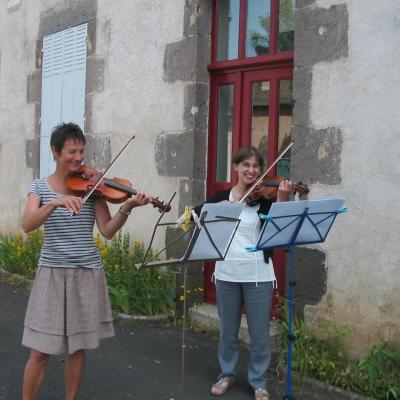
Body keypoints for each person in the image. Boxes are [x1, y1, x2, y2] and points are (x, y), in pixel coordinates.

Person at [20, 122, 152, 400]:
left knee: (77, 348)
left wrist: (126, 208)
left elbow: (106, 231)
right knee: (40, 350)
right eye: (71, 151)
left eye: (81, 151)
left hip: (86, 272)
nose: (78, 158)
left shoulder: (93, 187)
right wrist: (54, 203)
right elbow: (27, 224)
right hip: (52, 273)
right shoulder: (40, 187)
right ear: (55, 151)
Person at [195, 146, 292, 400]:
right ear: (235, 168)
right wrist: (220, 211)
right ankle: (226, 374)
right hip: (227, 272)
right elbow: (194, 215)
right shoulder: (220, 197)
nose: (251, 170)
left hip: (258, 274)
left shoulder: (265, 201)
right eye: (246, 165)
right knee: (228, 330)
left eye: (256, 166)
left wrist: (283, 199)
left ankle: (258, 380)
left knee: (259, 333)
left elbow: (280, 228)